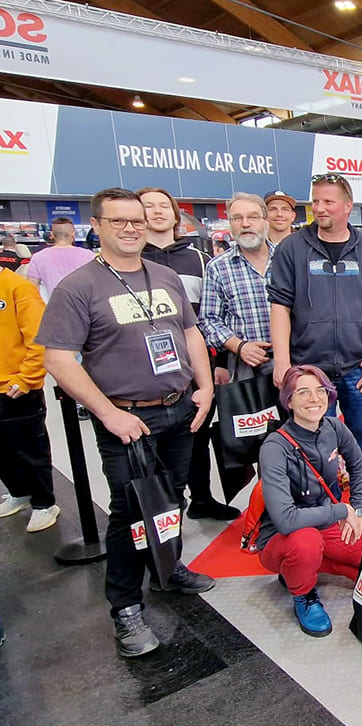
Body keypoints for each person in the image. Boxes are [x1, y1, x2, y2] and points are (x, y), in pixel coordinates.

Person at [36, 187, 216, 658]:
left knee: (171, 499)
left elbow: (190, 333)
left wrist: (205, 387)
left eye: (136, 220)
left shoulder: (164, 276)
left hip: (180, 407)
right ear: (97, 226)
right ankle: (126, 608)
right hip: (127, 419)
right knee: (130, 512)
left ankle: (167, 569)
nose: (131, 228)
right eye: (118, 221)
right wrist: (109, 413)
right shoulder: (79, 287)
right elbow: (58, 359)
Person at [269, 172, 362, 531]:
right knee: (309, 449)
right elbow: (279, 306)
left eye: (328, 201)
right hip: (310, 372)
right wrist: (283, 361)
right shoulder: (292, 249)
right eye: (315, 201)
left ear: (347, 206)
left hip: (360, 370)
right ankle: (317, 519)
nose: (320, 208)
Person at [139, 187, 234, 521]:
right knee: (153, 442)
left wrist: (219, 363)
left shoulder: (199, 260)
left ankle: (202, 498)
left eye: (163, 206)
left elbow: (211, 314)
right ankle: (164, 508)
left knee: (197, 433)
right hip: (147, 372)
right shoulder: (130, 259)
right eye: (148, 206)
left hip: (197, 364)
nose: (157, 212)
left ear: (175, 215)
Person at [257, 365, 362, 636]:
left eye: (320, 391)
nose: (314, 399)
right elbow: (286, 520)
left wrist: (358, 510)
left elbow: (358, 465)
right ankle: (304, 595)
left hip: (325, 522)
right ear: (289, 401)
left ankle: (298, 571)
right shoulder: (274, 447)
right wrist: (342, 510)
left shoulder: (333, 426)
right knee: (306, 542)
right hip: (283, 535)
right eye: (303, 392)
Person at [0, 267, 59, 532]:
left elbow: (39, 337)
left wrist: (27, 378)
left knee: (29, 449)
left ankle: (44, 504)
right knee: (3, 451)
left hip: (16, 389)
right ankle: (19, 493)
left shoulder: (17, 287)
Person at [199, 193, 274, 382]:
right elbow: (209, 319)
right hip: (245, 367)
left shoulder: (287, 258)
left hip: (292, 361)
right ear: (230, 224)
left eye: (253, 217)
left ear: (265, 222)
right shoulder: (218, 267)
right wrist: (239, 346)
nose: (245, 224)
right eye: (237, 218)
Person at [25, 217, 95, 302]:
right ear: (73, 234)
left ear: (51, 235)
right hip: (84, 307)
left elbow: (32, 288)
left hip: (52, 307)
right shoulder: (89, 256)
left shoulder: (38, 257)